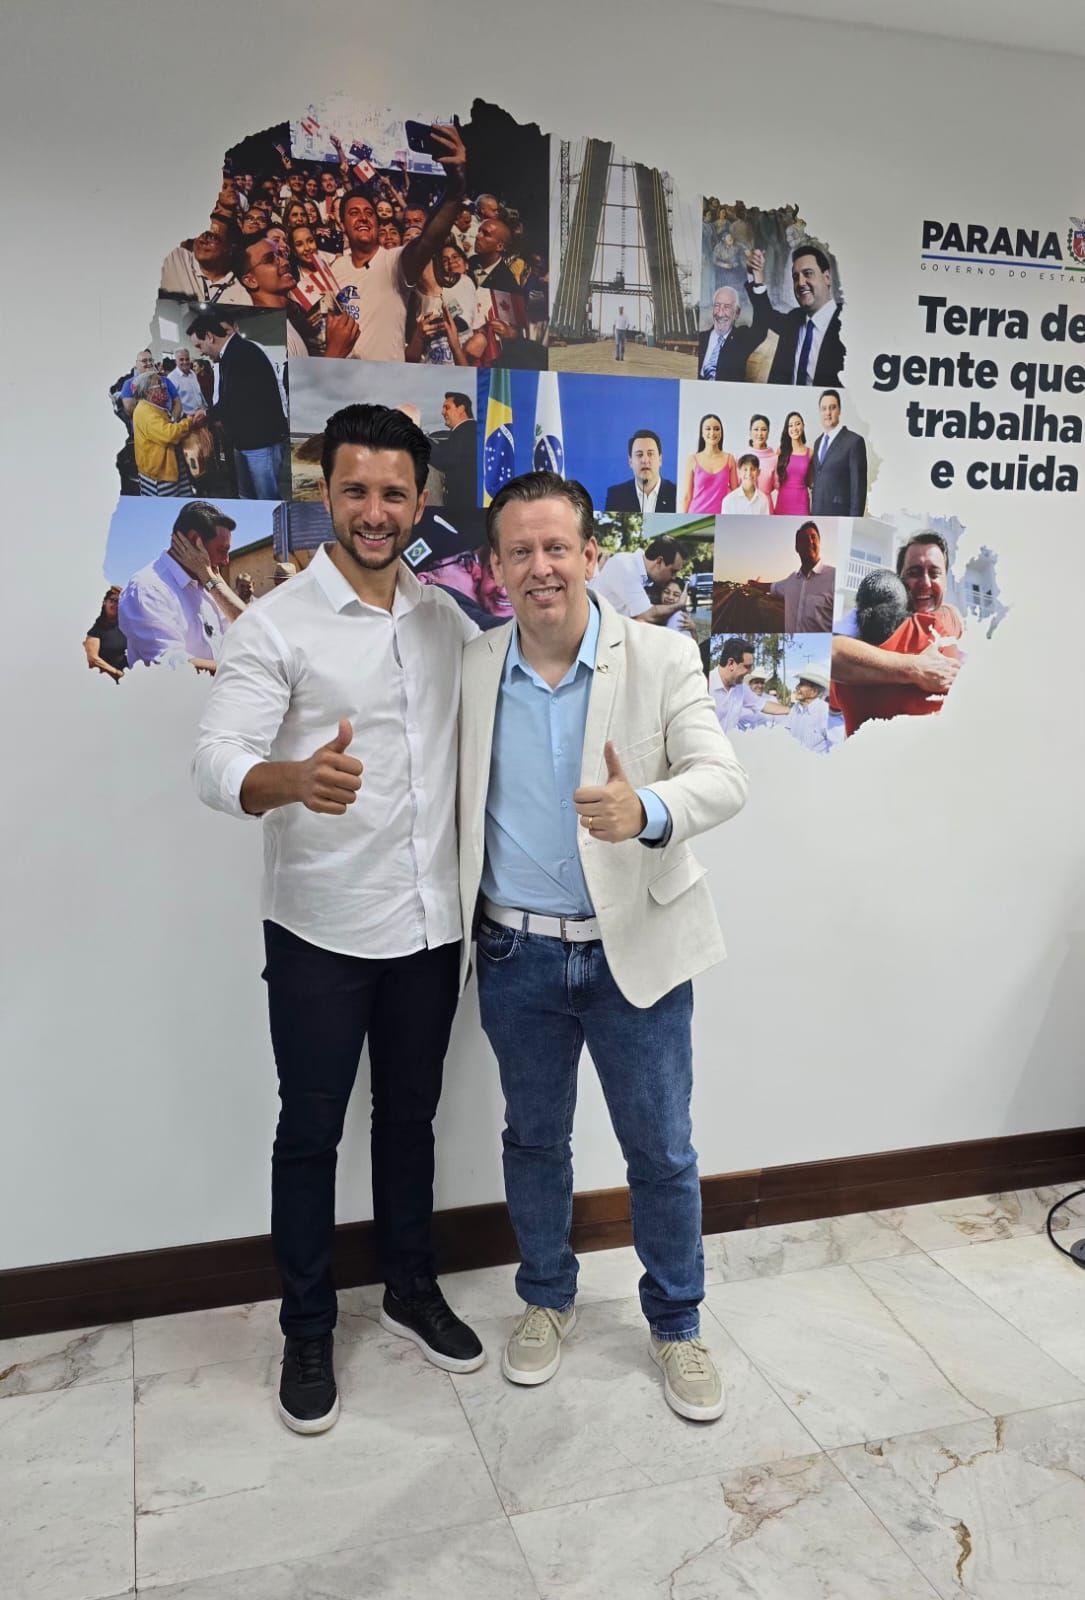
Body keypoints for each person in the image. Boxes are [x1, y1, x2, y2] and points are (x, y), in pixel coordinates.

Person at [192, 404, 484, 1436]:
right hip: (318, 927)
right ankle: (307, 1327)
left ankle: (410, 1286)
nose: (374, 511)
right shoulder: (275, 624)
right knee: (309, 1131)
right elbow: (214, 760)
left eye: (393, 492)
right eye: (355, 489)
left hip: (429, 927)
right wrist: (290, 778)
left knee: (410, 1119)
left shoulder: (448, 621)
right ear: (326, 493)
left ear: (419, 500)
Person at [457, 470, 748, 1421]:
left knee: (659, 1149)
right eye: (520, 551)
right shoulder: (473, 665)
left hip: (635, 949)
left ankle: (677, 1322)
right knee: (533, 1140)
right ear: (496, 567)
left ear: (590, 555)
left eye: (556, 547)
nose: (540, 567)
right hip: (516, 955)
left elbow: (722, 778)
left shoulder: (660, 656)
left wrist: (647, 808)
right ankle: (546, 1299)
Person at [331, 123, 468, 362]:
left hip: (386, 378)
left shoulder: (394, 262)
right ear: (342, 224)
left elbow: (428, 240)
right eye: (354, 213)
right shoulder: (335, 268)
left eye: (369, 213)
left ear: (377, 223)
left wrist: (456, 188)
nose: (363, 217)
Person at [832, 533, 964, 731]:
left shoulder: (947, 622)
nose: (926, 583)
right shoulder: (864, 618)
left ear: (946, 582)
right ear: (900, 579)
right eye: (914, 572)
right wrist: (915, 667)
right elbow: (832, 652)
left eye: (934, 573)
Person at [119, 501, 240, 672]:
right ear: (195, 541)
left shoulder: (208, 583)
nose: (226, 561)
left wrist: (214, 581)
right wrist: (240, 670)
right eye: (222, 550)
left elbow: (245, 631)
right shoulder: (147, 588)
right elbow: (171, 665)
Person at [186, 308, 288, 499]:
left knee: (266, 498)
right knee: (247, 496)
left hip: (260, 442)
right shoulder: (230, 354)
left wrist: (208, 414)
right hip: (247, 441)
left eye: (199, 345)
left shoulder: (242, 353)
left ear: (209, 337)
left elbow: (236, 400)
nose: (200, 352)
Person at [747, 244, 844, 386]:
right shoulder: (795, 318)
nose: (801, 283)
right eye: (795, 277)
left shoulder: (847, 323)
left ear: (827, 277)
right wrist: (756, 275)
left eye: (808, 273)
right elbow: (766, 315)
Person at [130, 370, 206, 497]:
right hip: (160, 475)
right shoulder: (146, 412)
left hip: (170, 467)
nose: (164, 386)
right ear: (148, 392)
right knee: (168, 505)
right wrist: (189, 422)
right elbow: (169, 434)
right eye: (159, 383)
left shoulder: (151, 407)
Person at [589, 536, 687, 624]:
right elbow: (649, 616)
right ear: (659, 561)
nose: (674, 577)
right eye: (673, 571)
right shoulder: (627, 568)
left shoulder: (639, 571)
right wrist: (679, 604)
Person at [767, 521, 836, 633]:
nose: (810, 541)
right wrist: (754, 584)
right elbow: (772, 587)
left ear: (819, 543)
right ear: (796, 547)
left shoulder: (834, 578)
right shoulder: (791, 581)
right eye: (804, 539)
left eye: (813, 537)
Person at [710, 637, 788, 732]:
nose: (750, 671)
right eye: (747, 666)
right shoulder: (705, 684)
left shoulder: (741, 688)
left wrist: (791, 711)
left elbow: (763, 705)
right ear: (731, 663)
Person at [810, 390, 867, 516]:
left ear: (839, 410)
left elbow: (858, 489)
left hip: (840, 517)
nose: (828, 413)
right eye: (824, 409)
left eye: (832, 408)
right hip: (817, 514)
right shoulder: (818, 442)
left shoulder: (854, 442)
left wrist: (854, 521)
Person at [697, 283, 766, 381]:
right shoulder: (700, 338)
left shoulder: (742, 339)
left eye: (727, 307)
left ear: (737, 313)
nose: (720, 313)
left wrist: (756, 283)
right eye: (717, 305)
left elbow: (761, 326)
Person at [603, 430, 677, 513]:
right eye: (639, 455)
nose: (645, 460)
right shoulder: (616, 496)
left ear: (660, 459)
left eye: (650, 454)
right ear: (630, 461)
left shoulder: (676, 494)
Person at [428, 391, 477, 509]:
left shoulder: (466, 431)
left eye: (447, 407)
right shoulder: (468, 431)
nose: (442, 412)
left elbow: (446, 459)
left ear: (461, 409)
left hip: (464, 508)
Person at [680, 414, 737, 514]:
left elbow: (735, 493)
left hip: (722, 517)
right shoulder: (692, 460)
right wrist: (682, 519)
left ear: (721, 433)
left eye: (716, 429)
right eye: (708, 429)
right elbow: (687, 496)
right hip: (696, 515)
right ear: (702, 433)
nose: (712, 432)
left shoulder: (730, 459)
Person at [781, 665, 832, 753]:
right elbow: (786, 732)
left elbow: (835, 745)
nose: (796, 687)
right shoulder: (795, 708)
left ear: (814, 692)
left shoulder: (825, 712)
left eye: (801, 684)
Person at [771, 410, 812, 515]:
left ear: (803, 425)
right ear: (787, 429)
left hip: (802, 501)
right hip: (783, 500)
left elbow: (811, 480)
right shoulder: (780, 451)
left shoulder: (810, 452)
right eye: (790, 425)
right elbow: (775, 478)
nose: (794, 428)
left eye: (797, 424)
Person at [83, 587, 127, 683]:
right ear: (104, 602)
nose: (116, 604)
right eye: (112, 600)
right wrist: (116, 672)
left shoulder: (125, 625)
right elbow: (93, 659)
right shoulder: (96, 630)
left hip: (127, 678)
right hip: (105, 680)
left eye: (119, 602)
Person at [170, 348, 205, 416]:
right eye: (181, 359)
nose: (185, 362)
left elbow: (198, 393)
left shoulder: (192, 373)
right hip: (187, 418)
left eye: (187, 359)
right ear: (176, 361)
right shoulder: (172, 378)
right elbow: (172, 403)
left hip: (201, 413)